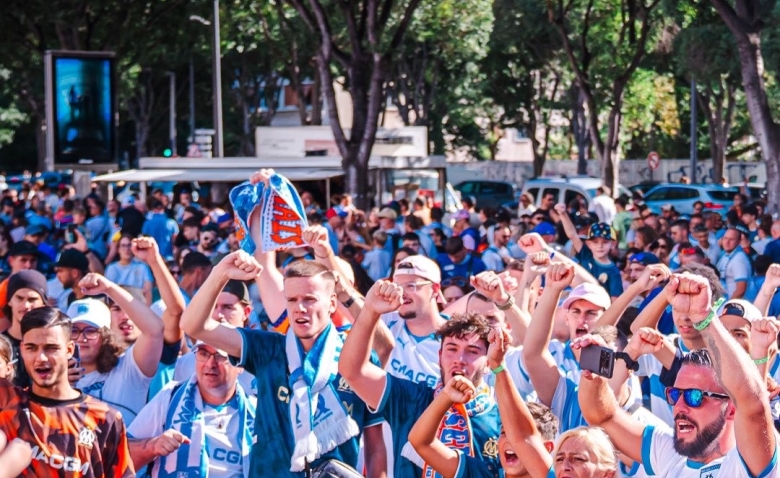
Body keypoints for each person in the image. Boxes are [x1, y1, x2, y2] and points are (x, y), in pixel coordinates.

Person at [180, 252, 386, 477]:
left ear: (332, 303)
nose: (300, 308)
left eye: (309, 299)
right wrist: (220, 272)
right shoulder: (268, 348)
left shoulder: (358, 358)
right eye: (292, 300)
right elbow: (193, 325)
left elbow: (375, 446)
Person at [579, 273, 778, 477]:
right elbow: (601, 415)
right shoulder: (668, 454)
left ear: (731, 409)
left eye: (694, 397)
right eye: (675, 395)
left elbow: (753, 404)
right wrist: (594, 375)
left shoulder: (745, 464)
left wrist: (704, 317)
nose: (679, 407)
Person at [339, 281, 502, 477]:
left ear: (488, 363)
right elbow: (353, 371)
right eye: (452, 349)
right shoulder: (412, 399)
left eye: (472, 351)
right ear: (439, 355)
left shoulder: (501, 418)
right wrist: (370, 311)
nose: (459, 360)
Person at [0, 307, 135, 477]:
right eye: (31, 348)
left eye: (51, 348)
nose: (41, 358)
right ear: (21, 349)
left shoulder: (105, 418)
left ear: (70, 350)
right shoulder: (7, 403)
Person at [408, 326, 559, 478]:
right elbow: (421, 442)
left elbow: (523, 435)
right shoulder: (484, 474)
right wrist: (445, 397)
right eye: (504, 433)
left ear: (547, 448)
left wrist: (498, 366)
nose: (512, 440)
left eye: (515, 434)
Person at [127, 341, 255, 478]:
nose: (210, 364)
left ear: (240, 365)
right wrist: (152, 446)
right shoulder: (170, 396)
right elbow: (121, 457)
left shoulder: (259, 412)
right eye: (203, 354)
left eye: (220, 356)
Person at [71, 272, 164, 424]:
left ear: (106, 336)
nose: (82, 338)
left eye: (91, 331)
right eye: (74, 331)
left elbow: (155, 330)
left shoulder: (128, 369)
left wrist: (109, 288)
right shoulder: (57, 380)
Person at [556, 204, 623, 299]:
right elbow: (572, 234)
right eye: (595, 242)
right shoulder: (586, 254)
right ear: (589, 244)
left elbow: (615, 300)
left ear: (613, 244)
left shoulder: (614, 272)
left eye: (605, 242)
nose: (600, 246)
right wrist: (563, 214)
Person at [1, 270, 48, 387]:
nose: (26, 305)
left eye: (32, 300)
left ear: (43, 303)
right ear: (9, 301)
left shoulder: (53, 344)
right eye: (19, 298)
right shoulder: (1, 345)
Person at [105, 234, 154, 305]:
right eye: (123, 245)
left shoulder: (142, 267)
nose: (126, 249)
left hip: (139, 306)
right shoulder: (111, 268)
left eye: (129, 245)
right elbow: (109, 292)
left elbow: (148, 291)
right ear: (118, 249)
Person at [716, 225, 754, 299]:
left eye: (731, 239)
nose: (727, 242)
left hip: (733, 305)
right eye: (725, 238)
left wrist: (728, 307)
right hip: (721, 302)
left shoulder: (739, 259)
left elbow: (741, 289)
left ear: (739, 242)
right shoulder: (725, 254)